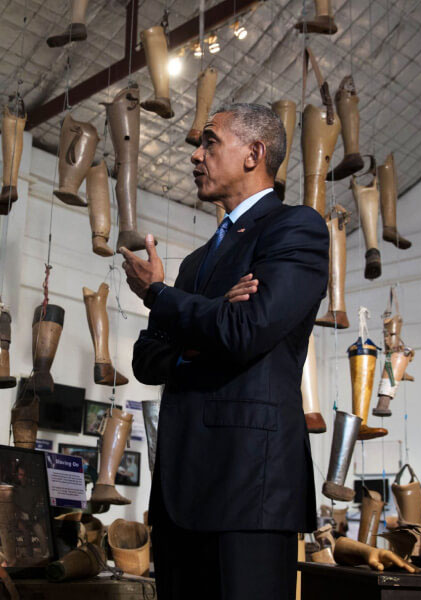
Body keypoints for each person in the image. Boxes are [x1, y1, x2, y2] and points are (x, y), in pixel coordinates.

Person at [120, 103, 329, 599]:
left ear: (255, 153)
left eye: (210, 141)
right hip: (178, 491)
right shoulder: (195, 263)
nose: (195, 155)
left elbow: (246, 330)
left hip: (249, 489)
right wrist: (204, 331)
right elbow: (146, 359)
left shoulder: (295, 229)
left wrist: (161, 295)